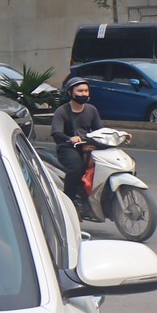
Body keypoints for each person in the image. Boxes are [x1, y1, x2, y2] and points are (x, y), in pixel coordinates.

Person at [50, 77, 104, 216]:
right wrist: (70, 139)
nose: (84, 94)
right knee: (77, 167)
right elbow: (56, 133)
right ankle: (69, 202)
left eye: (86, 91)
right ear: (70, 92)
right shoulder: (62, 111)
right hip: (67, 148)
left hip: (87, 146)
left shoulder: (92, 110)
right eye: (80, 91)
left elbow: (99, 130)